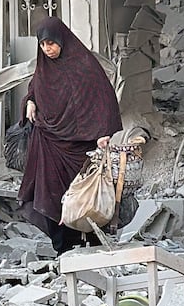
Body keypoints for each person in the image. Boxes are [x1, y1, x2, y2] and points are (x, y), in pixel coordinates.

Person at [17, 16, 122, 254]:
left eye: (51, 43)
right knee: (51, 195)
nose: (48, 49)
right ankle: (63, 248)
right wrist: (30, 101)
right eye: (43, 45)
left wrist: (104, 133)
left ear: (62, 40)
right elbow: (35, 87)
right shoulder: (44, 67)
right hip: (49, 142)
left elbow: (103, 99)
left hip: (83, 146)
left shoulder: (84, 65)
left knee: (86, 197)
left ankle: (91, 243)